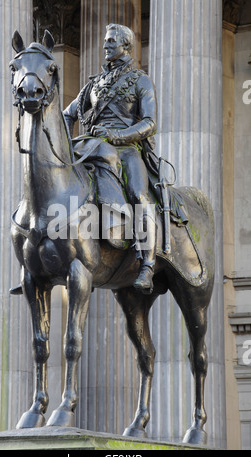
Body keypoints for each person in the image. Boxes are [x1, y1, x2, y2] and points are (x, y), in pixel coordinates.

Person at [64, 24, 158, 293]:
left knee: (139, 194)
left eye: (111, 42)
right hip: (90, 148)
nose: (105, 46)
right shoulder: (93, 84)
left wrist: (117, 136)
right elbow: (67, 115)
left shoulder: (140, 80)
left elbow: (150, 123)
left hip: (127, 149)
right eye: (105, 41)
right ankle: (42, 258)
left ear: (126, 46)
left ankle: (147, 264)